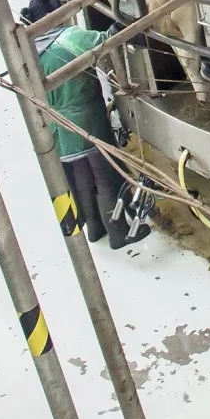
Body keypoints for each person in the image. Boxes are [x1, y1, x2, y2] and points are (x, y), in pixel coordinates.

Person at [34, 21, 150, 250]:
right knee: (104, 177)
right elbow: (107, 39)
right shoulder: (70, 38)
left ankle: (94, 229)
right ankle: (118, 233)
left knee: (81, 178)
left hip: (56, 127)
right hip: (87, 119)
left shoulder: (30, 52)